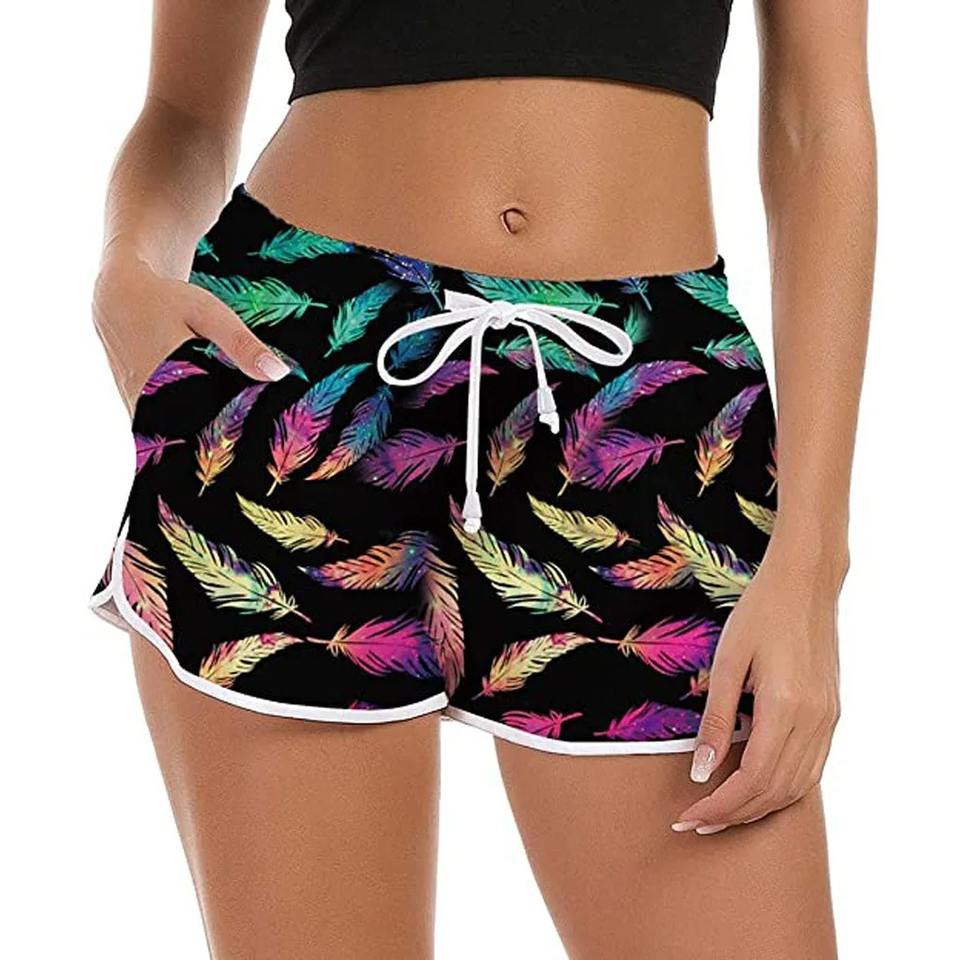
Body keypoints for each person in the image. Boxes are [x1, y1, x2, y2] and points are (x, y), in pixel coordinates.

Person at [90, 1, 874, 956]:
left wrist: (811, 564)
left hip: (654, 406)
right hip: (307, 377)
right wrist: (127, 270)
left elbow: (817, 123)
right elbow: (183, 111)